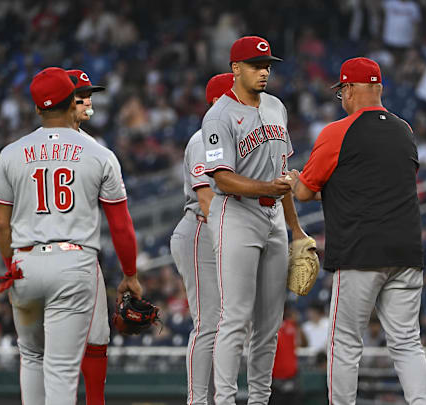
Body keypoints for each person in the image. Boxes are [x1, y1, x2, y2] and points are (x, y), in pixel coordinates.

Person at [284, 57, 426, 404]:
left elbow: (305, 191)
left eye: (342, 92)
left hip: (360, 252)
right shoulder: (404, 130)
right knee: (407, 342)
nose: (342, 98)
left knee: (345, 342)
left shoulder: (337, 131)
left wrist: (294, 180)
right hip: (407, 251)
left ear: (349, 88)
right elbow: (386, 182)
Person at [0, 67, 142, 405]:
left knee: (31, 357)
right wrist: (130, 274)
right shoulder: (99, 153)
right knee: (61, 368)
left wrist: (11, 266)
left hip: (25, 261)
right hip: (73, 263)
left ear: (37, 107)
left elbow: (2, 226)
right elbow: (120, 225)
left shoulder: (11, 152)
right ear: (71, 101)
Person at [201, 36, 309, 405]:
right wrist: (270, 187)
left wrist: (296, 230)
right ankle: (226, 400)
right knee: (235, 317)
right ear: (235, 68)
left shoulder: (277, 106)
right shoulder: (218, 115)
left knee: (269, 323)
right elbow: (221, 177)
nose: (263, 72)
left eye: (266, 66)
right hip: (237, 214)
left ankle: (260, 400)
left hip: (274, 215)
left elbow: (282, 175)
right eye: (254, 65)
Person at [170, 72, 234, 405]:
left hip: (220, 231)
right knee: (208, 322)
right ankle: (198, 401)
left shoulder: (233, 139)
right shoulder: (202, 140)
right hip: (200, 229)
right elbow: (207, 199)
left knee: (227, 323)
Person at [66, 68, 110, 405]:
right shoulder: (95, 150)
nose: (88, 102)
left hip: (35, 255)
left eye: (89, 96)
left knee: (45, 348)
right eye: (81, 96)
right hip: (76, 253)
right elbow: (118, 218)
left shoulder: (21, 148)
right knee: (92, 340)